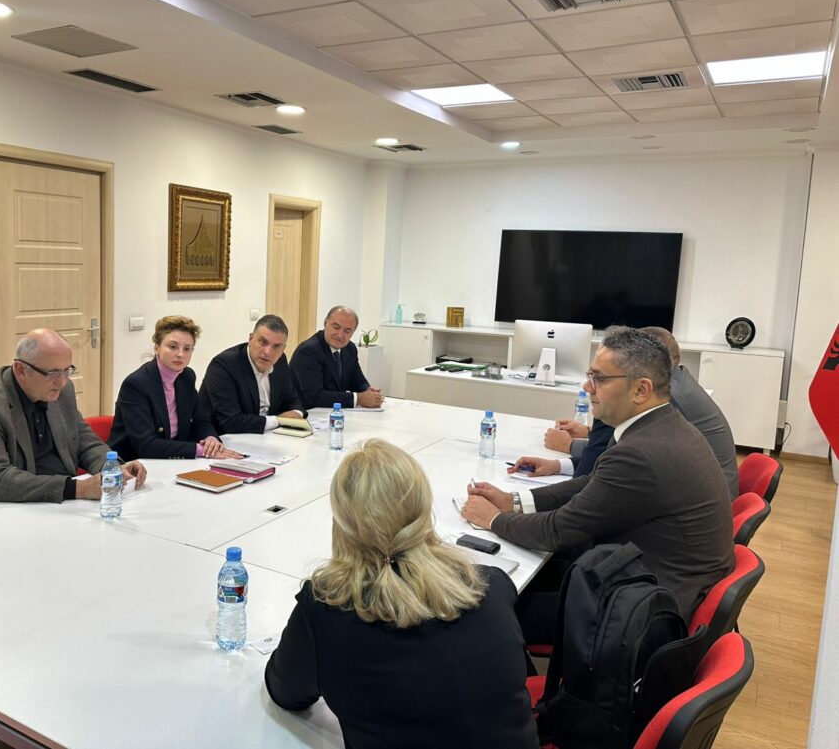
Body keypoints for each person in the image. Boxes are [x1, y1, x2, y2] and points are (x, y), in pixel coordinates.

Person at [461, 326, 733, 641]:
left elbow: (558, 531)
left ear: (641, 390)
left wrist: (493, 519)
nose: (587, 387)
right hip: (650, 580)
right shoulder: (660, 425)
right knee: (514, 580)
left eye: (600, 379)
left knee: (483, 612)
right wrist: (516, 501)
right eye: (590, 376)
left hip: (643, 613)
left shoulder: (641, 452)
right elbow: (591, 483)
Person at [265, 440, 538, 749]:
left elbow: (285, 692)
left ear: (341, 520)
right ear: (423, 509)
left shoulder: (325, 611)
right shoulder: (492, 586)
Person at [0, 328, 146, 513]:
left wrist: (112, 468)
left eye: (67, 371)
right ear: (21, 370)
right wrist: (78, 489)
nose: (62, 382)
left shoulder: (61, 391)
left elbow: (83, 440)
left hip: (51, 507)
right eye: (53, 373)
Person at [108, 316, 242, 461]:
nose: (180, 354)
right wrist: (199, 450)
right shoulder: (136, 384)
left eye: (187, 349)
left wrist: (210, 439)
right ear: (157, 347)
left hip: (173, 459)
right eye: (172, 347)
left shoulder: (186, 376)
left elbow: (200, 421)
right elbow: (146, 445)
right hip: (134, 463)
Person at [641, 326, 740, 499]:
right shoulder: (678, 379)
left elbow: (640, 451)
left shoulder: (667, 396)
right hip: (714, 488)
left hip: (708, 498)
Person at [199, 314, 306, 434]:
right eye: (263, 342)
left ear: (283, 350)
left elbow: (292, 400)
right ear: (250, 339)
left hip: (266, 435)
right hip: (223, 438)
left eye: (276, 346)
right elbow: (231, 422)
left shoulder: (280, 361)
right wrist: (279, 420)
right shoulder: (224, 365)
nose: (268, 352)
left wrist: (297, 413)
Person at [289, 306, 383, 409]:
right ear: (325, 323)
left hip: (333, 412)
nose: (340, 335)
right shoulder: (308, 351)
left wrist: (369, 391)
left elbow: (358, 381)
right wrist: (359, 399)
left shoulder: (350, 348)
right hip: (305, 412)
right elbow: (315, 397)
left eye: (347, 331)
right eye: (336, 327)